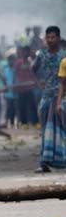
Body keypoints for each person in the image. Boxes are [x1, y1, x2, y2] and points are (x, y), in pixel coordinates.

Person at [32, 25, 66, 172]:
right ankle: (44, 162)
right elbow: (34, 69)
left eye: (53, 37)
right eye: (48, 38)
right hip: (46, 96)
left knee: (63, 129)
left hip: (62, 96)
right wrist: (39, 83)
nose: (50, 40)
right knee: (46, 130)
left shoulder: (64, 56)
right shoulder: (42, 55)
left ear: (58, 38)